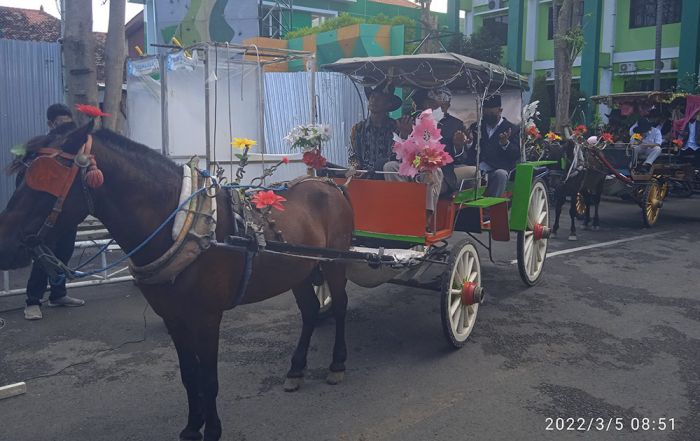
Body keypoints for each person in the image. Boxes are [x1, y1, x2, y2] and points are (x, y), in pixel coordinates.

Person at [21, 103, 84, 321]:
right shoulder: (41, 147)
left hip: (67, 214)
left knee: (64, 255)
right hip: (46, 216)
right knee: (44, 258)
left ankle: (58, 294)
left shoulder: (73, 148)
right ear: (50, 124)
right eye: (60, 124)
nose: (64, 128)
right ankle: (32, 301)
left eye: (68, 124)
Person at [410, 87, 478, 193]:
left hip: (443, 173)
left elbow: (462, 159)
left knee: (431, 175)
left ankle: (427, 210)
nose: (437, 107)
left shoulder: (455, 124)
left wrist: (458, 146)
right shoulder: (415, 120)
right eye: (432, 103)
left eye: (442, 103)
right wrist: (404, 134)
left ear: (447, 105)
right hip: (414, 166)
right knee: (391, 166)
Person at [465, 94, 520, 198]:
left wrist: (505, 143)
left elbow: (516, 154)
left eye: (491, 113)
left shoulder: (512, 129)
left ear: (500, 110)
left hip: (497, 169)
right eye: (485, 113)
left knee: (501, 174)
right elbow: (471, 152)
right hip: (476, 170)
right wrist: (469, 142)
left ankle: (492, 207)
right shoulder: (477, 127)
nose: (488, 116)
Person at [349, 82, 404, 175]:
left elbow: (398, 157)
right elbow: (353, 157)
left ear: (388, 104)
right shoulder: (358, 128)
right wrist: (354, 169)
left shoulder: (395, 128)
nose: (374, 100)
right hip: (363, 179)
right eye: (372, 97)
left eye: (379, 98)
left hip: (386, 179)